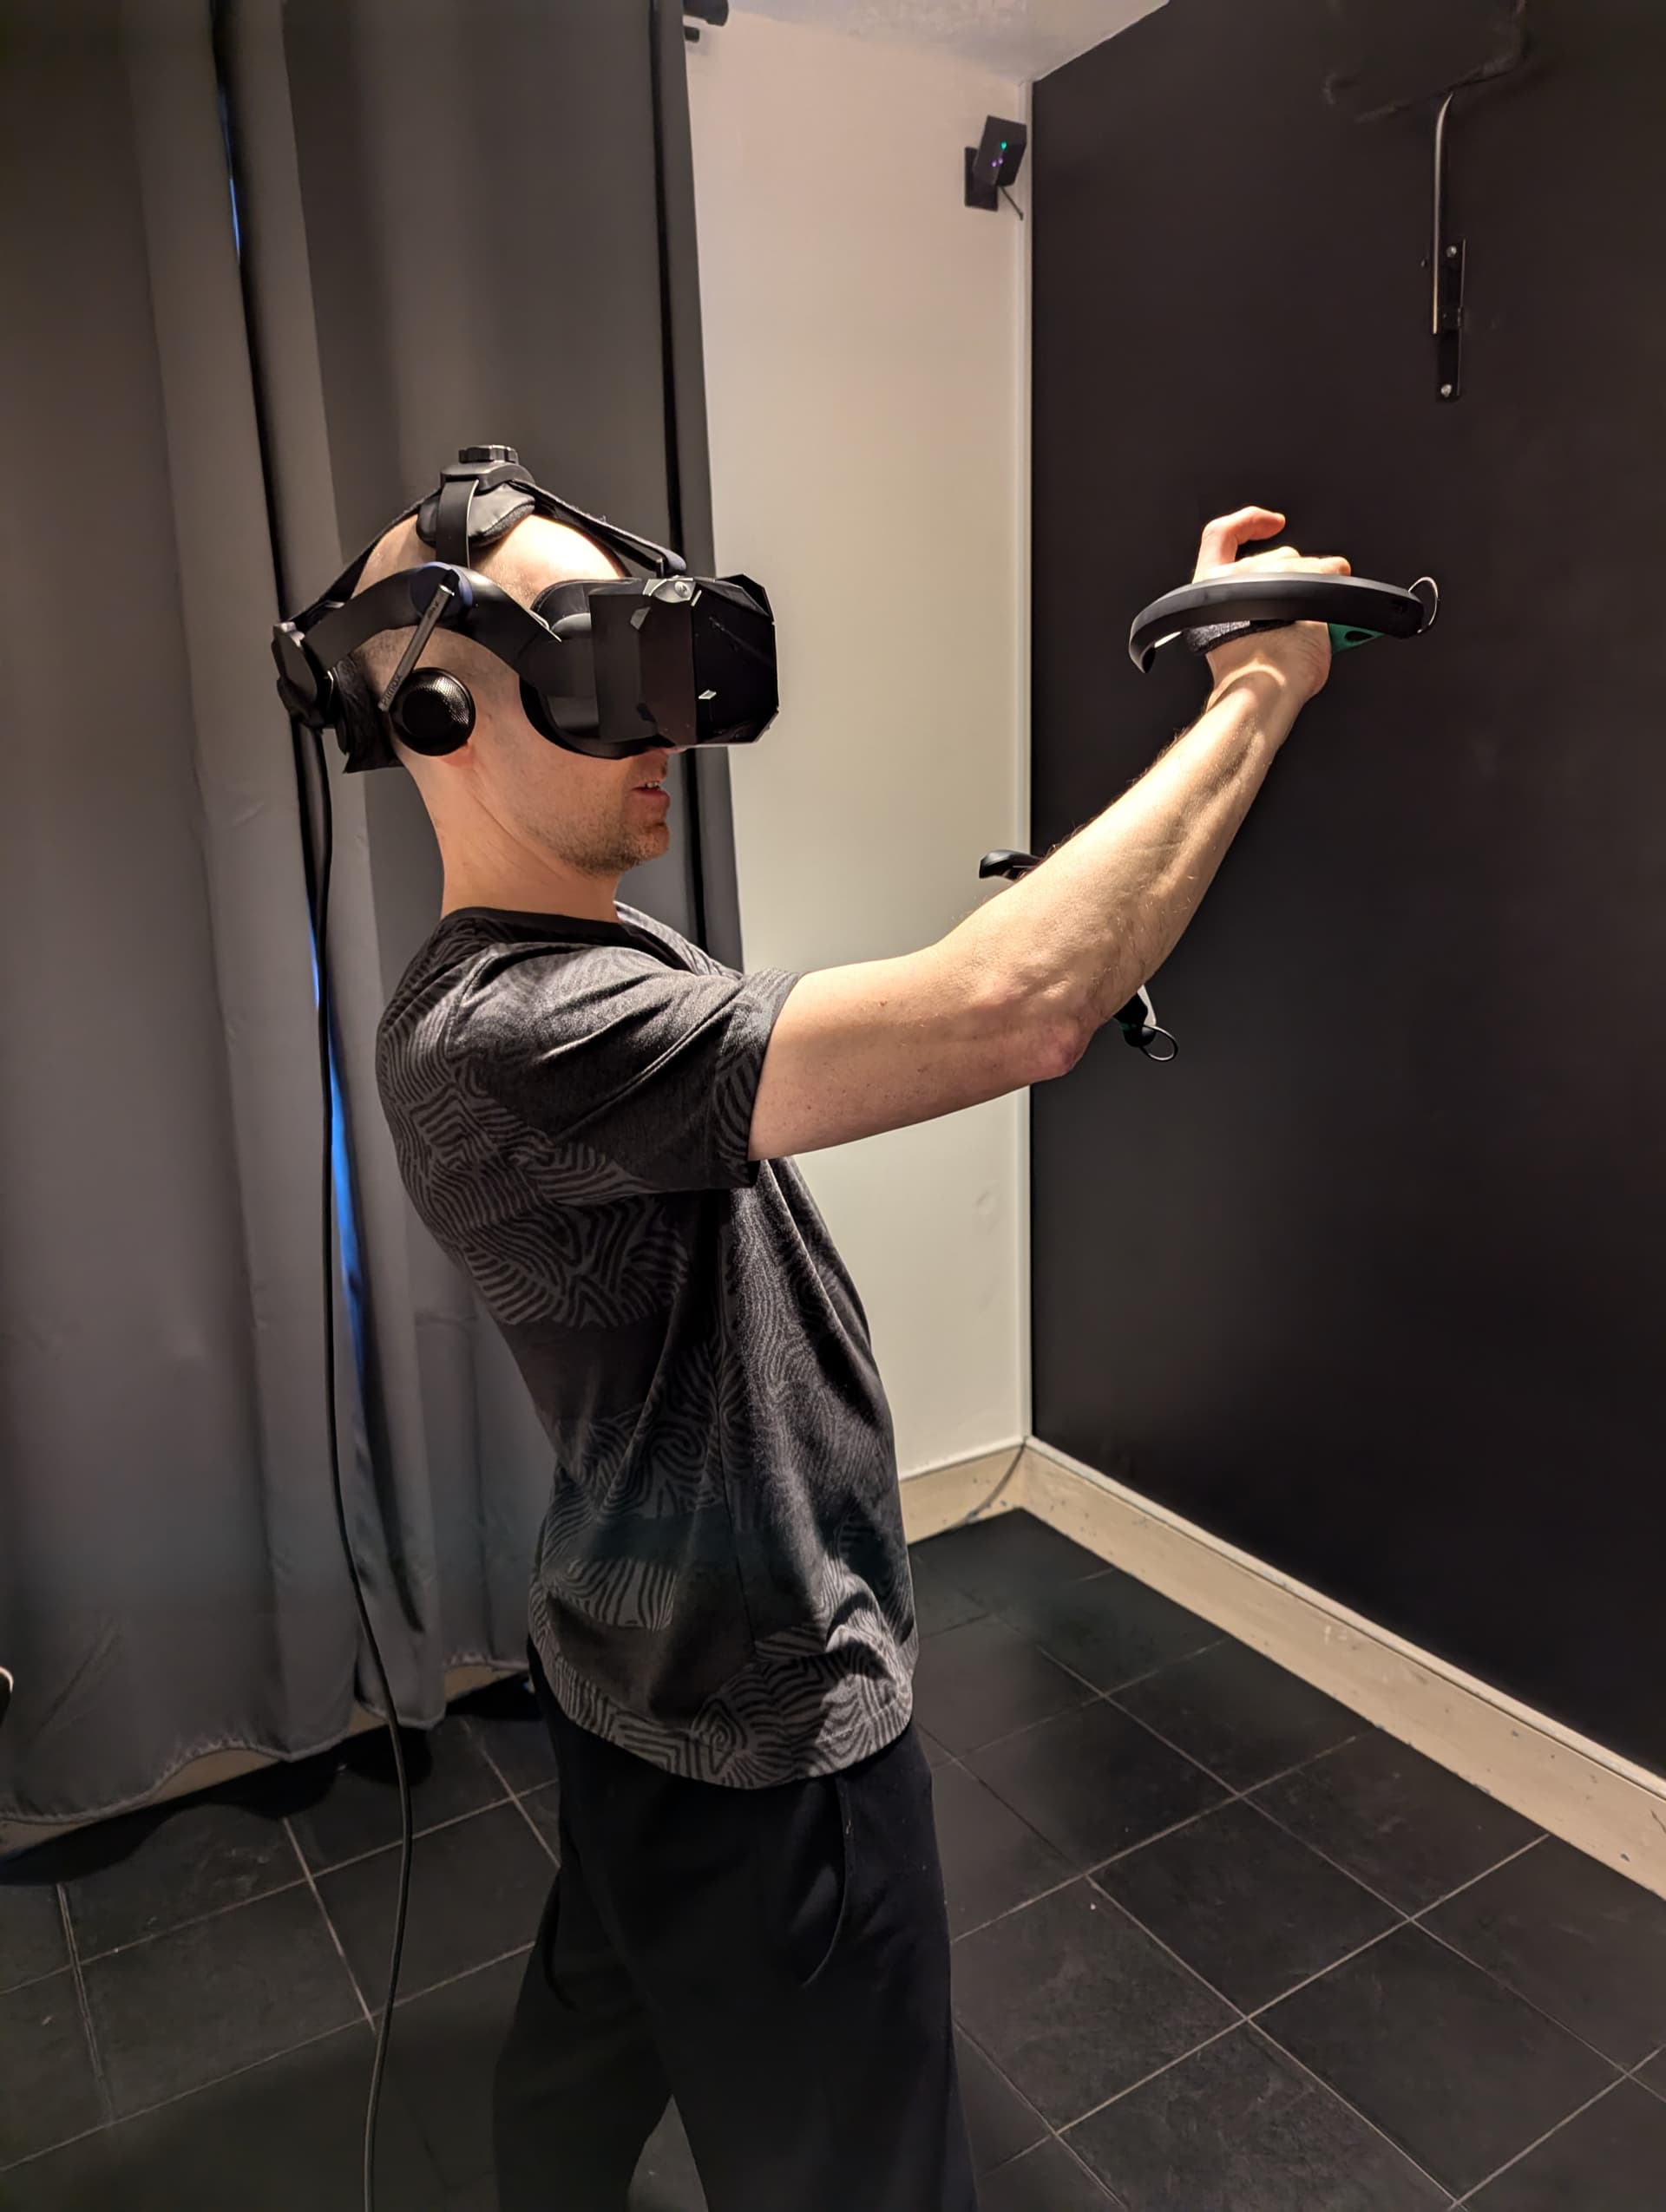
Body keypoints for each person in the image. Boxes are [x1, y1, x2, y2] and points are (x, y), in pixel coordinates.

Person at [359, 500, 1349, 2212]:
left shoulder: (576, 949)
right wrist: (1257, 690)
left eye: (658, 662)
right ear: (437, 713)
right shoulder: (508, 1029)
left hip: (626, 1660)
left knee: (588, 2046)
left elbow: (987, 993)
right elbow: (1013, 1007)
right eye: (594, 672)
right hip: (763, 1727)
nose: (661, 725)